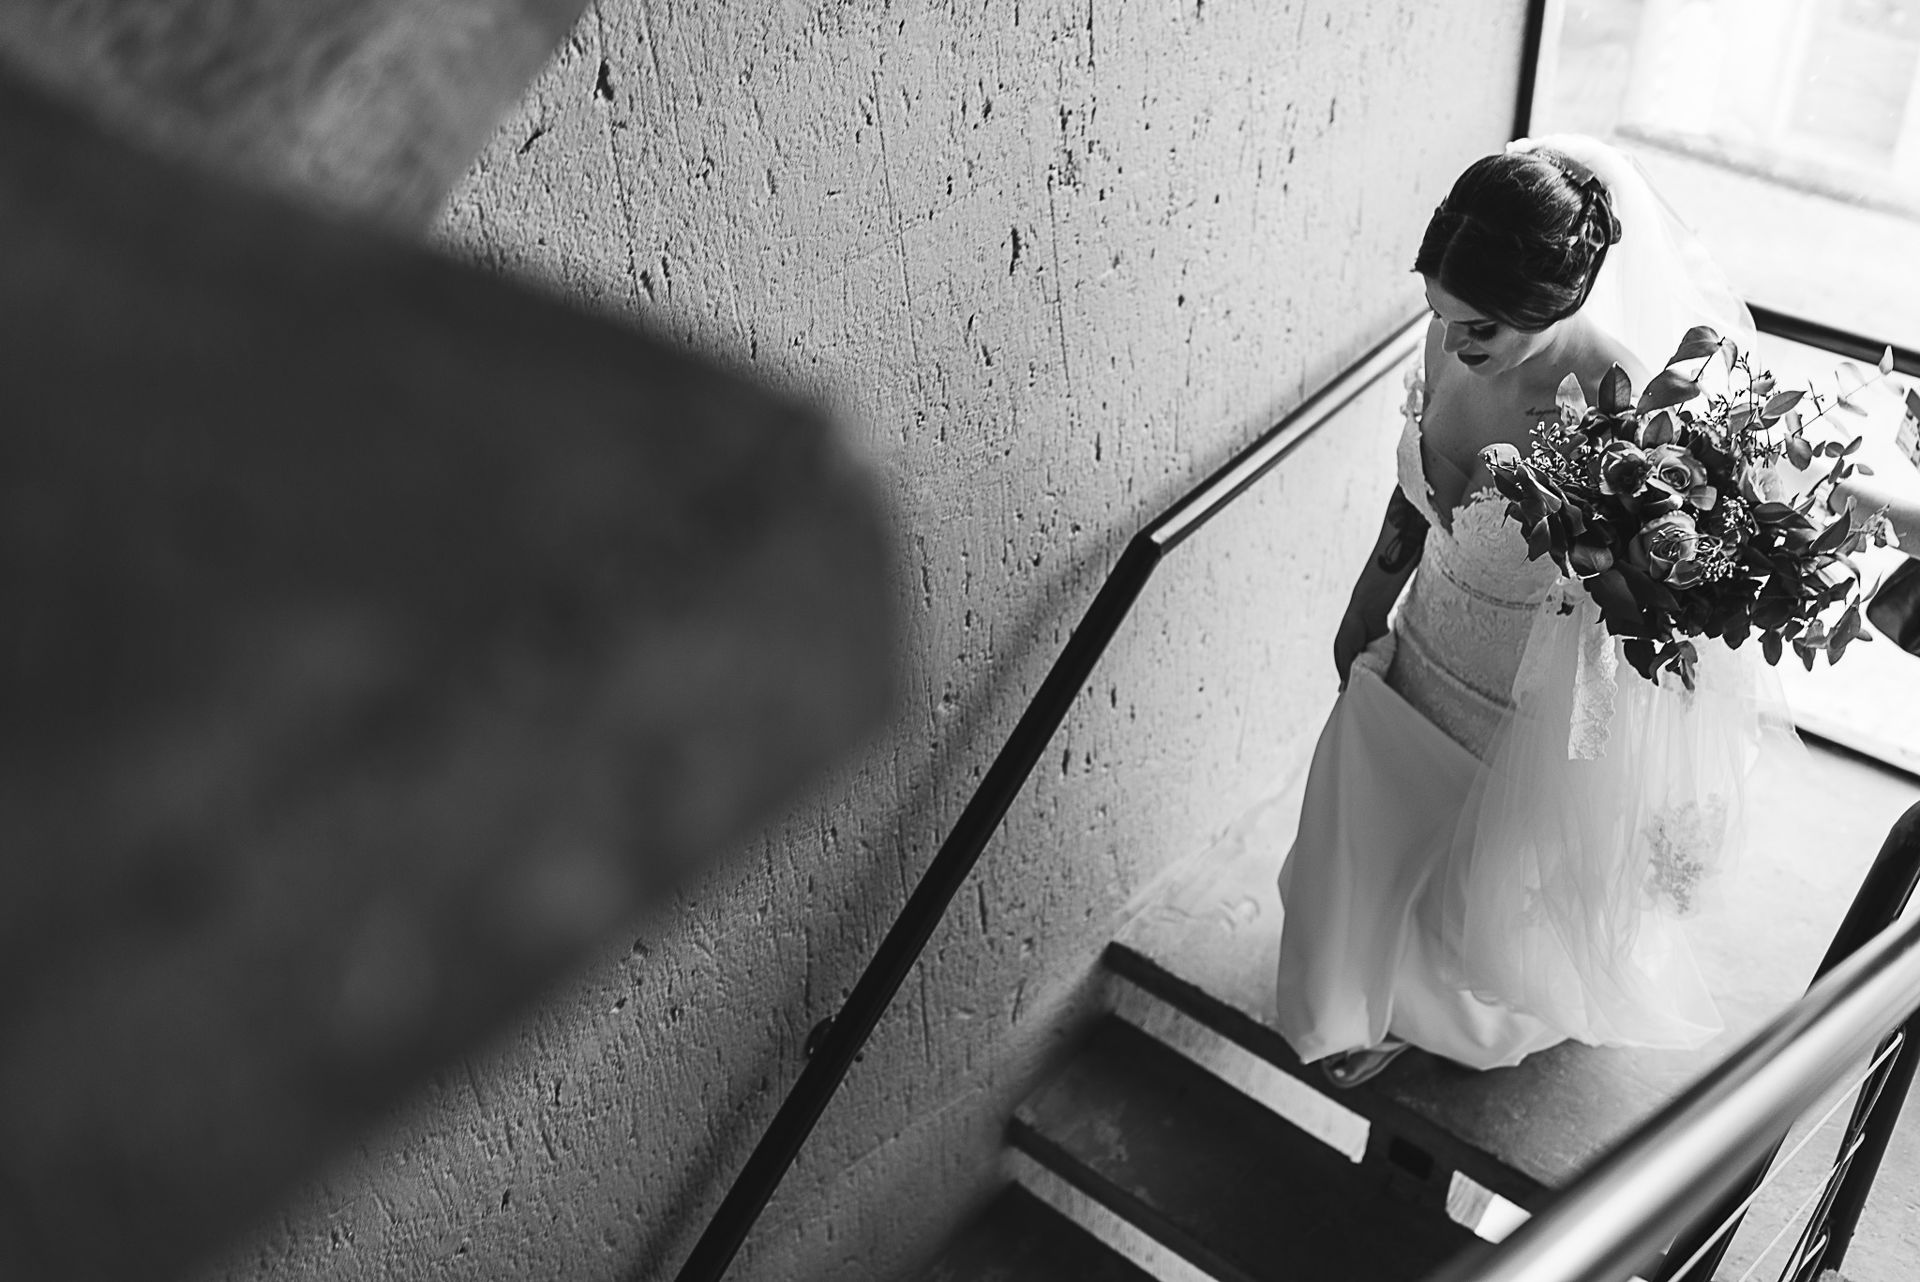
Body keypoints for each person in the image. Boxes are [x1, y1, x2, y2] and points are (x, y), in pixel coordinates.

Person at [1275, 135, 1803, 1087]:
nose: (1452, 344)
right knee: (1372, 830)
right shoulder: (1450, 339)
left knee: (1469, 891)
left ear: (1558, 298)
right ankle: (1361, 987)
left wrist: (1576, 761)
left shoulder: (1621, 411)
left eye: (1477, 326)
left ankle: (1427, 1011)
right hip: (1424, 638)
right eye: (1440, 315)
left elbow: (1634, 615)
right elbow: (1417, 489)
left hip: (1518, 699)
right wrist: (1367, 599)